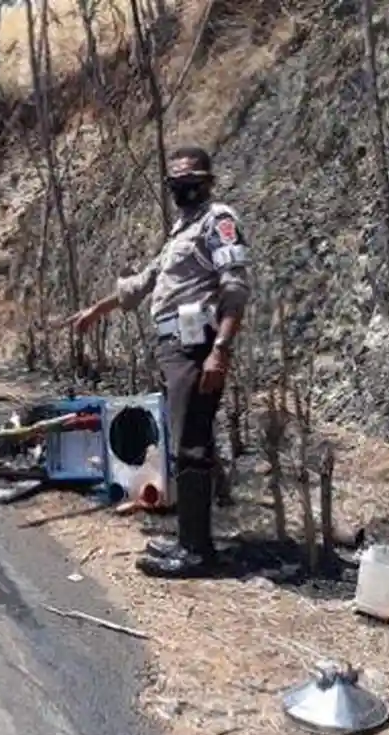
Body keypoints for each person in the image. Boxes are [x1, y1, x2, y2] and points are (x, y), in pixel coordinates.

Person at [66, 146, 253, 578]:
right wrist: (99, 308)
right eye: (176, 184)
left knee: (192, 445)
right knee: (182, 443)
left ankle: (197, 552)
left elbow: (235, 288)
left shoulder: (217, 222)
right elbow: (144, 282)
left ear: (207, 181)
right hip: (172, 346)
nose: (183, 190)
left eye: (191, 182)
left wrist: (219, 350)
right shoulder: (181, 230)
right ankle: (189, 539)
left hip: (197, 346)